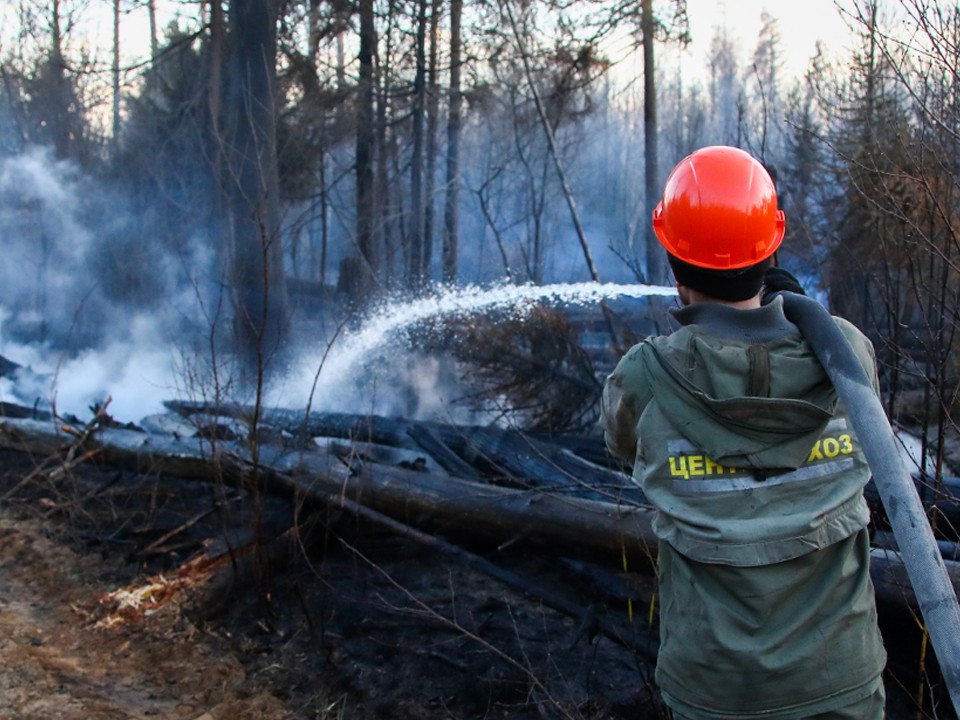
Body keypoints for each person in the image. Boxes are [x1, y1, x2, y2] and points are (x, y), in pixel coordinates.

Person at [599, 146, 886, 719]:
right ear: (771, 246)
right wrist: (789, 305)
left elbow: (621, 444)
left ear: (674, 263)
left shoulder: (646, 377)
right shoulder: (846, 354)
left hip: (716, 690)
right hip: (842, 681)